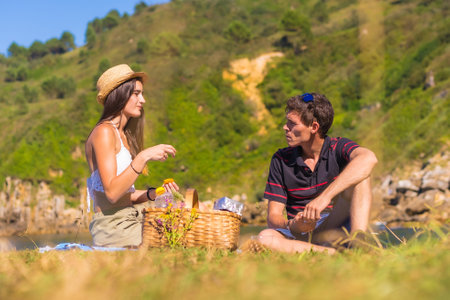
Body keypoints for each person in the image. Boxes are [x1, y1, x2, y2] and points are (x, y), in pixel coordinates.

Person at [258, 93, 378, 254]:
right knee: (265, 237)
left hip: (334, 227)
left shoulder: (338, 147)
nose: (285, 127)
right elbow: (273, 216)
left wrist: (324, 198)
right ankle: (336, 255)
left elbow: (369, 158)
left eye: (292, 123)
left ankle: (358, 242)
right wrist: (292, 225)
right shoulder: (281, 159)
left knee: (362, 175)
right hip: (298, 234)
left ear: (314, 127)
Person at [85, 64, 178, 248]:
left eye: (141, 94)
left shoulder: (124, 136)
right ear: (120, 94)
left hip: (131, 217)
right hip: (112, 227)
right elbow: (112, 194)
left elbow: (127, 195)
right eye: (136, 94)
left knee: (185, 230)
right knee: (177, 242)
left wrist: (156, 192)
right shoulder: (104, 132)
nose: (142, 100)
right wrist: (142, 157)